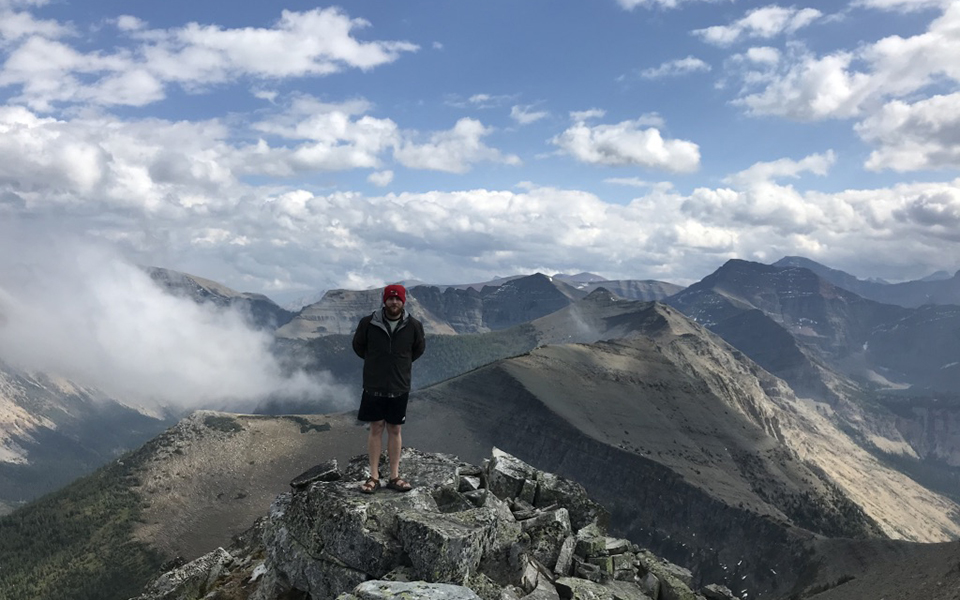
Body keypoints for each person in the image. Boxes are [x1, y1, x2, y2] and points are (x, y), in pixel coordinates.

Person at [352, 284, 426, 494]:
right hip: (374, 384)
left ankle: (394, 476)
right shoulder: (368, 323)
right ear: (384, 301)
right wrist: (376, 362)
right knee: (376, 427)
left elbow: (418, 349)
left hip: (399, 385)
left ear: (403, 302)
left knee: (395, 429)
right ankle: (374, 477)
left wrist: (400, 364)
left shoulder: (413, 325)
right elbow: (358, 346)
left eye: (398, 299)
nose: (394, 302)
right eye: (390, 299)